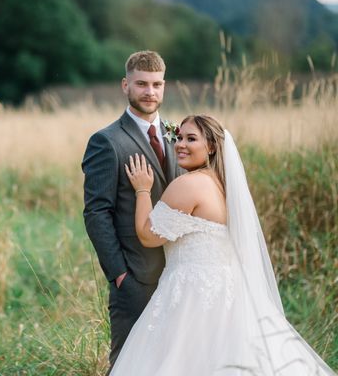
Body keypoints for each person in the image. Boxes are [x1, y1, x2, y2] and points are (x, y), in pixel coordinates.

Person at [110, 115, 336, 375]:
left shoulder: (188, 184)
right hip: (232, 292)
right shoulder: (225, 186)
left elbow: (148, 236)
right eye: (179, 137)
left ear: (212, 146)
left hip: (190, 294)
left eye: (191, 139)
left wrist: (141, 189)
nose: (181, 144)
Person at [82, 50, 183, 371]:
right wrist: (119, 274)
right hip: (136, 275)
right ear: (126, 85)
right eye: (141, 84)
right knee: (129, 362)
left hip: (181, 270)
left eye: (156, 84)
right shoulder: (106, 141)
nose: (149, 92)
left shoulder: (177, 134)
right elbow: (97, 212)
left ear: (164, 86)